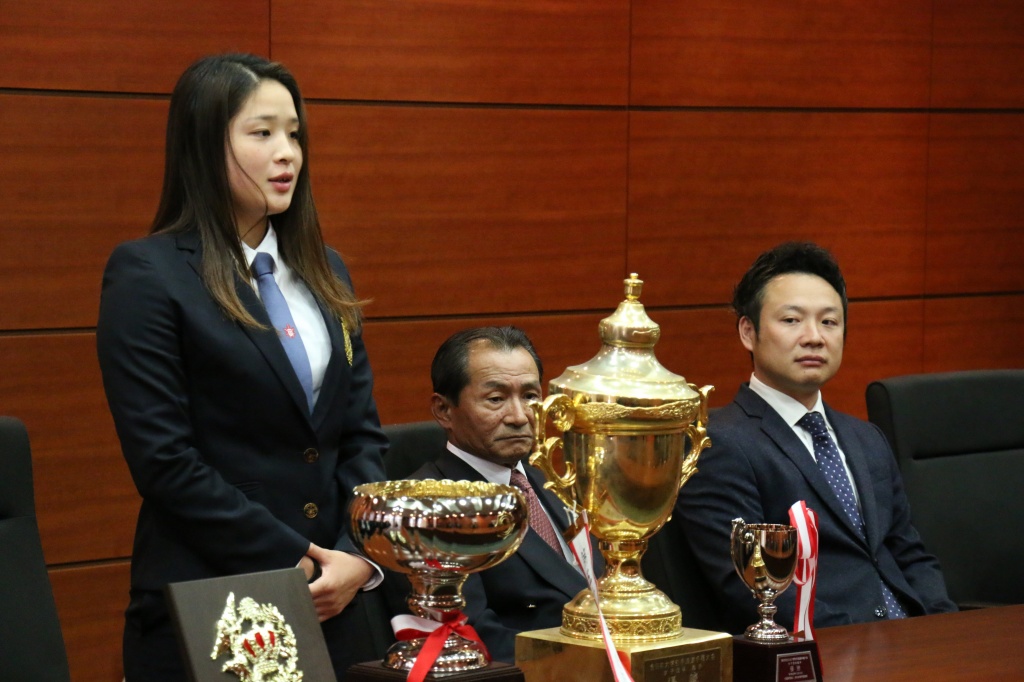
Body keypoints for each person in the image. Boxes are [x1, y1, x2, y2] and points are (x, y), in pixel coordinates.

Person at [96, 53, 389, 680]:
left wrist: (357, 554)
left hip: (337, 601)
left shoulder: (325, 269)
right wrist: (301, 555)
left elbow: (360, 433)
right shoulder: (149, 274)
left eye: (293, 133)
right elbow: (165, 462)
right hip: (214, 599)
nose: (287, 152)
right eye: (262, 133)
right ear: (205, 144)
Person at [670, 241, 956, 635]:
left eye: (829, 322)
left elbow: (911, 555)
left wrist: (948, 632)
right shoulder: (718, 443)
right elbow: (751, 587)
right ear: (748, 332)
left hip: (915, 646)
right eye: (791, 321)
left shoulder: (866, 437)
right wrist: (871, 643)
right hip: (823, 651)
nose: (814, 337)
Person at [397, 326, 597, 663]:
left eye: (531, 396)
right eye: (496, 399)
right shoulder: (427, 508)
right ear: (444, 411)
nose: (520, 417)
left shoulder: (554, 484)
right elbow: (471, 640)